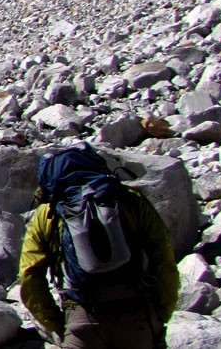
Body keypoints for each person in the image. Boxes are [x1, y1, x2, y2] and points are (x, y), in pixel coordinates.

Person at [19, 145, 179, 348]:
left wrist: (58, 324)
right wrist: (161, 312)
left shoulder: (46, 215)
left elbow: (29, 275)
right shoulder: (129, 199)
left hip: (82, 316)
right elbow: (164, 257)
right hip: (137, 313)